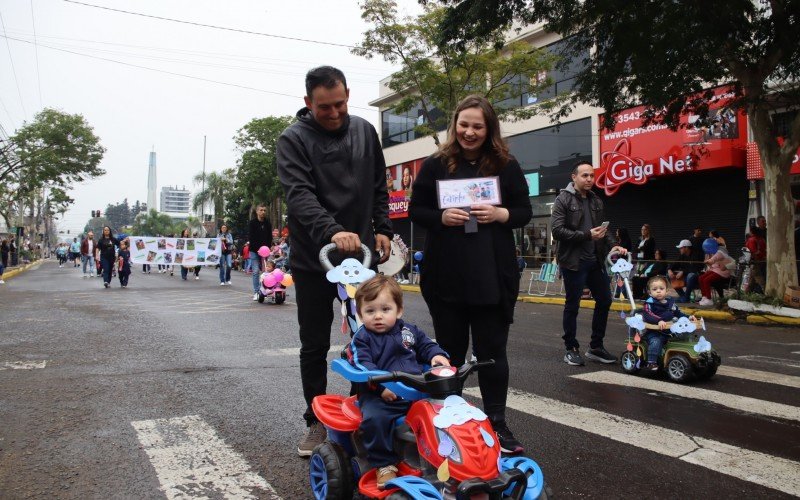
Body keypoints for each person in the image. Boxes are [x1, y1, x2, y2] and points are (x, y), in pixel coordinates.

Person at [276, 65, 392, 457]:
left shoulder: (363, 130)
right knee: (314, 343)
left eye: (340, 103)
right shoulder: (293, 139)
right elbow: (300, 195)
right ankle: (315, 421)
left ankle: (367, 410)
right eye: (324, 107)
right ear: (308, 103)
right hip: (315, 259)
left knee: (372, 334)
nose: (334, 113)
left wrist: (384, 228)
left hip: (360, 259)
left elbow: (380, 181)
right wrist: (332, 230)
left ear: (347, 95)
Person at [409, 94, 532, 453]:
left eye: (478, 125)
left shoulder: (506, 165)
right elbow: (417, 209)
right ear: (455, 126)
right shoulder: (436, 165)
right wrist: (441, 217)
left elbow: (524, 209)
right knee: (448, 353)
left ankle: (497, 424)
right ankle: (448, 424)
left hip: (493, 276)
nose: (469, 132)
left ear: (489, 128)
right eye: (464, 124)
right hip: (446, 275)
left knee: (493, 352)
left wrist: (502, 215)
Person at [350, 275, 449, 489]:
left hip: (416, 390)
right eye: (370, 311)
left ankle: (448, 454)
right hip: (379, 395)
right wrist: (381, 386)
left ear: (399, 310)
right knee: (375, 419)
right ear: (360, 314)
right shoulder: (362, 338)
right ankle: (384, 464)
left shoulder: (409, 331)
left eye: (385, 310)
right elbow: (362, 364)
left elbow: (426, 345)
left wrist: (437, 355)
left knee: (446, 414)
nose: (378, 316)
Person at [551, 161, 627, 367]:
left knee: (604, 299)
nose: (589, 179)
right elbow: (557, 231)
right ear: (573, 177)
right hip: (574, 262)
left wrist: (614, 246)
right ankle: (571, 348)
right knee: (572, 305)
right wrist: (585, 235)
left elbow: (603, 230)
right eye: (584, 175)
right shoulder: (563, 200)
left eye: (592, 176)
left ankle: (595, 346)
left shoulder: (595, 200)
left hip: (595, 261)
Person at [641, 276, 696, 371]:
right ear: (649, 292)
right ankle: (651, 362)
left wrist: (688, 317)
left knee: (684, 336)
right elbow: (648, 315)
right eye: (654, 289)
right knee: (655, 342)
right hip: (655, 332)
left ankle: (687, 356)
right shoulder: (649, 303)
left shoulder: (670, 303)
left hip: (669, 331)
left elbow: (678, 313)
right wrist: (659, 320)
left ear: (666, 291)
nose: (658, 291)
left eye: (661, 289)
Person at [697, 238, 732, 307]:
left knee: (706, 280)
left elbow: (715, 258)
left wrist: (709, 261)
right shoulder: (713, 251)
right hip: (716, 269)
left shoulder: (721, 251)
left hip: (723, 271)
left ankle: (709, 299)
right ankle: (704, 297)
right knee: (701, 278)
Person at [248, 204, 273, 300]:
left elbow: (269, 237)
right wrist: (258, 248)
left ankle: (264, 290)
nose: (263, 212)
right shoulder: (252, 223)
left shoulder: (268, 223)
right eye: (261, 210)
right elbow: (251, 237)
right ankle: (256, 292)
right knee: (255, 271)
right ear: (257, 211)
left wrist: (269, 247)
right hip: (254, 251)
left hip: (265, 251)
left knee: (266, 271)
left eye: (264, 210)